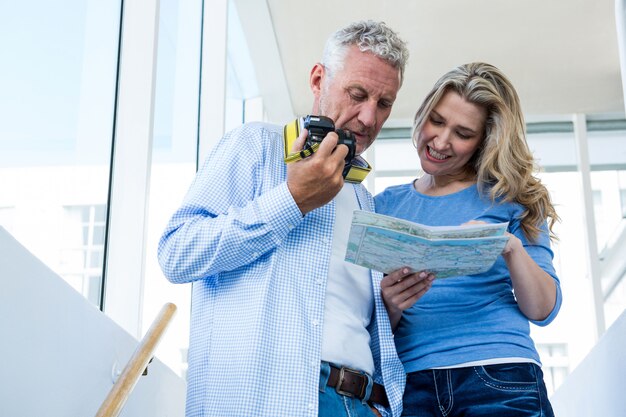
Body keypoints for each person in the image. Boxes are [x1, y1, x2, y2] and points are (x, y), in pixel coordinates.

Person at [158, 20, 431, 417]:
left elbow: (348, 319)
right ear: (319, 80)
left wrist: (387, 305)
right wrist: (292, 199)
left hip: (363, 403)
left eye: (384, 103)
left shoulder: (364, 200)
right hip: (272, 402)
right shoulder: (254, 147)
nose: (369, 118)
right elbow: (177, 254)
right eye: (357, 94)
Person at [376, 62, 562, 417]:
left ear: (483, 142)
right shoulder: (384, 205)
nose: (441, 141)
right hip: (411, 385)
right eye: (437, 120)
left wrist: (508, 246)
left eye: (463, 133)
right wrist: (392, 304)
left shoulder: (512, 198)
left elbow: (543, 310)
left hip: (499, 373)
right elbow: (375, 326)